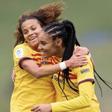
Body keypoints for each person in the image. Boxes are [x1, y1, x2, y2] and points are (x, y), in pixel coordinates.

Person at [10, 3, 89, 112]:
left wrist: (87, 52)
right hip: (25, 108)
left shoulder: (51, 51)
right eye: (25, 32)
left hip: (47, 108)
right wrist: (67, 63)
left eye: (33, 28)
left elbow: (69, 51)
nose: (30, 33)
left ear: (44, 28)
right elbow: (37, 72)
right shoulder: (21, 50)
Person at [31, 20, 101, 112]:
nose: (39, 47)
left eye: (43, 43)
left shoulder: (80, 61)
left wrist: (51, 107)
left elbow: (85, 100)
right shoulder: (51, 57)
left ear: (58, 42)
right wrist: (17, 67)